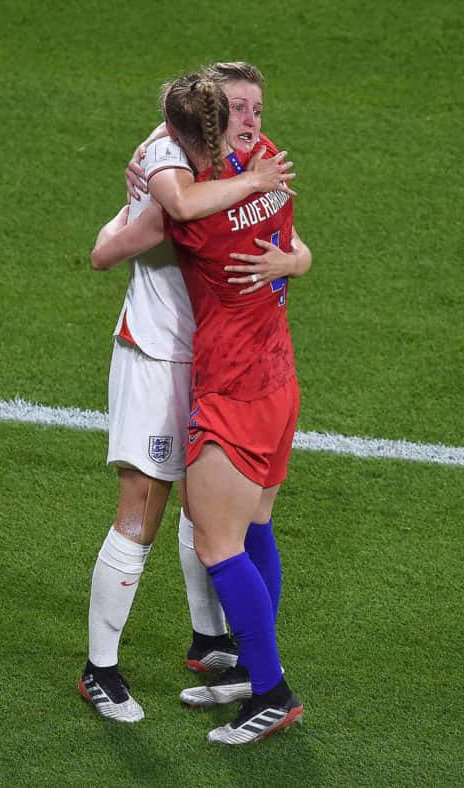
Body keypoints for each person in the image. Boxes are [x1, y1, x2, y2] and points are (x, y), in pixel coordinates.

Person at [91, 69, 310, 745]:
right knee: (203, 519)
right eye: (238, 109)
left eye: (256, 110)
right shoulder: (254, 171)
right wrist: (288, 255)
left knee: (214, 530)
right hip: (230, 368)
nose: (251, 120)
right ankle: (118, 666)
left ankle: (263, 680)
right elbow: (123, 243)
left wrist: (289, 258)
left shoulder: (202, 193)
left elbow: (126, 240)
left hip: (228, 378)